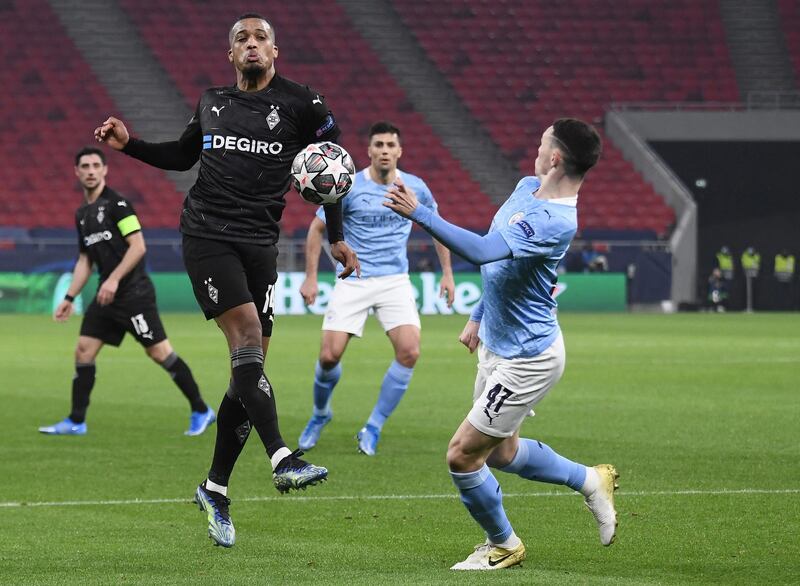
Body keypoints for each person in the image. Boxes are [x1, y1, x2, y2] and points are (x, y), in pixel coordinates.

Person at [94, 13, 359, 548]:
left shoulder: (305, 104)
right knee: (244, 343)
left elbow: (335, 171)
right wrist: (131, 145)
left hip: (261, 244)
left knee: (249, 368)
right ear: (230, 55)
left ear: (275, 50)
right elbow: (182, 154)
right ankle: (282, 457)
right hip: (207, 234)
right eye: (242, 39)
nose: (252, 44)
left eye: (261, 37)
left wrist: (334, 237)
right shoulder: (212, 101)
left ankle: (214, 488)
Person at [385, 118, 618, 570]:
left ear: (555, 157)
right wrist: (478, 316)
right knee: (503, 453)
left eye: (541, 141)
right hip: (497, 341)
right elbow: (503, 268)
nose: (534, 147)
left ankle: (503, 544)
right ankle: (591, 480)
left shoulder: (555, 220)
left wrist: (421, 214)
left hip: (529, 358)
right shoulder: (527, 187)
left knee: (462, 454)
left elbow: (484, 251)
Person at [297, 121, 455, 456]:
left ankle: (373, 426)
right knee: (329, 356)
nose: (384, 150)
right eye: (378, 145)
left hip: (394, 280)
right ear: (369, 151)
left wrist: (447, 273)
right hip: (353, 278)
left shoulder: (414, 187)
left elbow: (436, 228)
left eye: (390, 145)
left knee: (410, 352)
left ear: (400, 151)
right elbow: (315, 230)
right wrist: (311, 277)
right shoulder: (347, 184)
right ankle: (320, 413)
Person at [39, 147, 214, 437]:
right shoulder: (82, 214)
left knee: (159, 353)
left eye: (96, 165)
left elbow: (138, 246)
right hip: (106, 296)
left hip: (133, 294)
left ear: (105, 170)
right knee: (84, 350)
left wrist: (114, 280)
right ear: (77, 172)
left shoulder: (118, 205)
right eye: (85, 166)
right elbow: (85, 259)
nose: (91, 170)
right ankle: (76, 420)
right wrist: (69, 297)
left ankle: (200, 409)